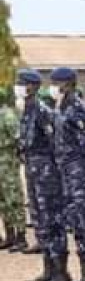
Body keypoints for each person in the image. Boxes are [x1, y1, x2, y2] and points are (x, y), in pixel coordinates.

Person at [16, 70, 67, 281]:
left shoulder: (42, 111)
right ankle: (48, 269)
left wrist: (55, 173)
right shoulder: (26, 110)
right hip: (33, 170)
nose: (17, 87)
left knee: (52, 220)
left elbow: (54, 143)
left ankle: (61, 273)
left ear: (34, 87)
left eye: (22, 83)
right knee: (39, 220)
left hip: (46, 172)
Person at [50, 68, 85, 281]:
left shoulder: (78, 109)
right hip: (68, 173)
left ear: (68, 84)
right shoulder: (61, 108)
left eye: (56, 82)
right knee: (77, 226)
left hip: (82, 174)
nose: (52, 87)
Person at [0, 85, 26, 252]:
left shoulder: (7, 116)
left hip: (7, 162)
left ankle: (21, 237)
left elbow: (18, 138)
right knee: (2, 201)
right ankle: (9, 236)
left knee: (14, 199)